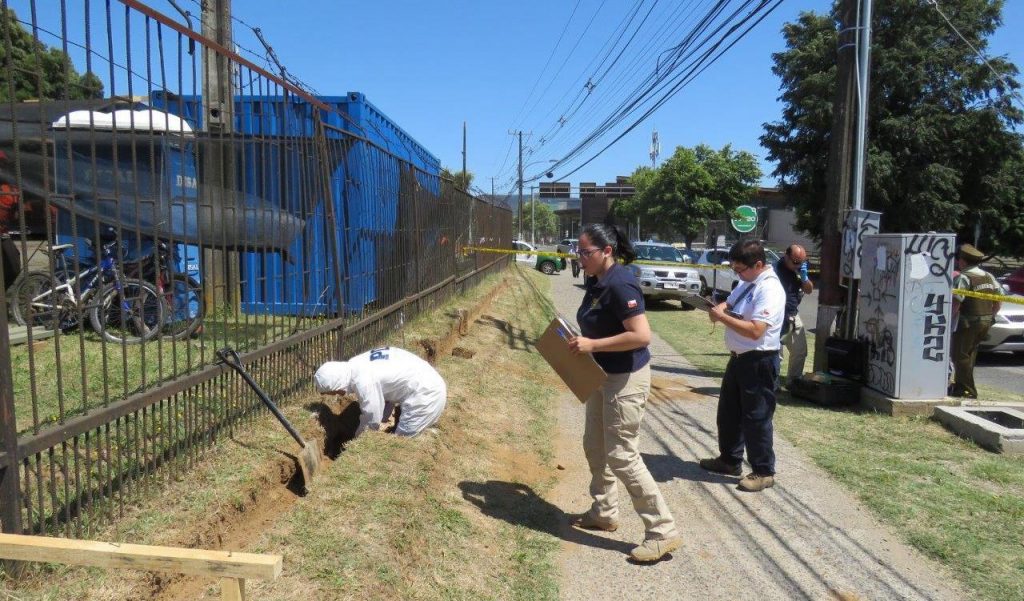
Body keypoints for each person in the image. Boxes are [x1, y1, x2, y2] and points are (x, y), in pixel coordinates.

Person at [567, 223, 681, 563]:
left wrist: (593, 343)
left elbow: (641, 335)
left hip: (626, 378)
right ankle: (604, 512)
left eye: (585, 252)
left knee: (621, 455)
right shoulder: (597, 281)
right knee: (594, 445)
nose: (580, 257)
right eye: (579, 251)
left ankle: (663, 531)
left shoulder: (621, 283)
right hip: (602, 374)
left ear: (606, 252)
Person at [700, 239, 786, 493]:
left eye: (741, 269)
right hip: (739, 358)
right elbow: (731, 302)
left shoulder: (769, 289)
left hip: (759, 359)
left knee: (756, 417)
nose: (737, 273)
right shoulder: (749, 282)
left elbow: (756, 331)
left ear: (758, 264)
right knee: (728, 413)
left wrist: (722, 317)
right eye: (735, 269)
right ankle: (730, 460)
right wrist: (720, 307)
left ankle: (763, 471)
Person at [314, 346, 447, 437]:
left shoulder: (363, 381)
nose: (338, 394)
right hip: (428, 381)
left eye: (335, 392)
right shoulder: (355, 364)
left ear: (338, 384)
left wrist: (357, 441)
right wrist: (384, 417)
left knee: (401, 443)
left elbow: (372, 420)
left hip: (426, 394)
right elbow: (385, 391)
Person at [948, 244, 1001, 399]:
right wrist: (991, 316)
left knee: (960, 355)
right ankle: (961, 386)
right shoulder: (988, 276)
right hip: (985, 321)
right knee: (970, 355)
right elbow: (998, 300)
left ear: (963, 262)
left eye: (960, 260)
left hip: (968, 322)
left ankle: (966, 391)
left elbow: (957, 302)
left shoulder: (964, 277)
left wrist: (948, 319)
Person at [773, 244, 814, 388]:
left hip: (792, 315)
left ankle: (793, 381)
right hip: (776, 315)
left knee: (800, 350)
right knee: (776, 352)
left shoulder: (798, 271)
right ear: (786, 255)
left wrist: (804, 278)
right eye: (795, 262)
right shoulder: (775, 269)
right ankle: (773, 383)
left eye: (801, 262)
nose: (797, 265)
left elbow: (808, 290)